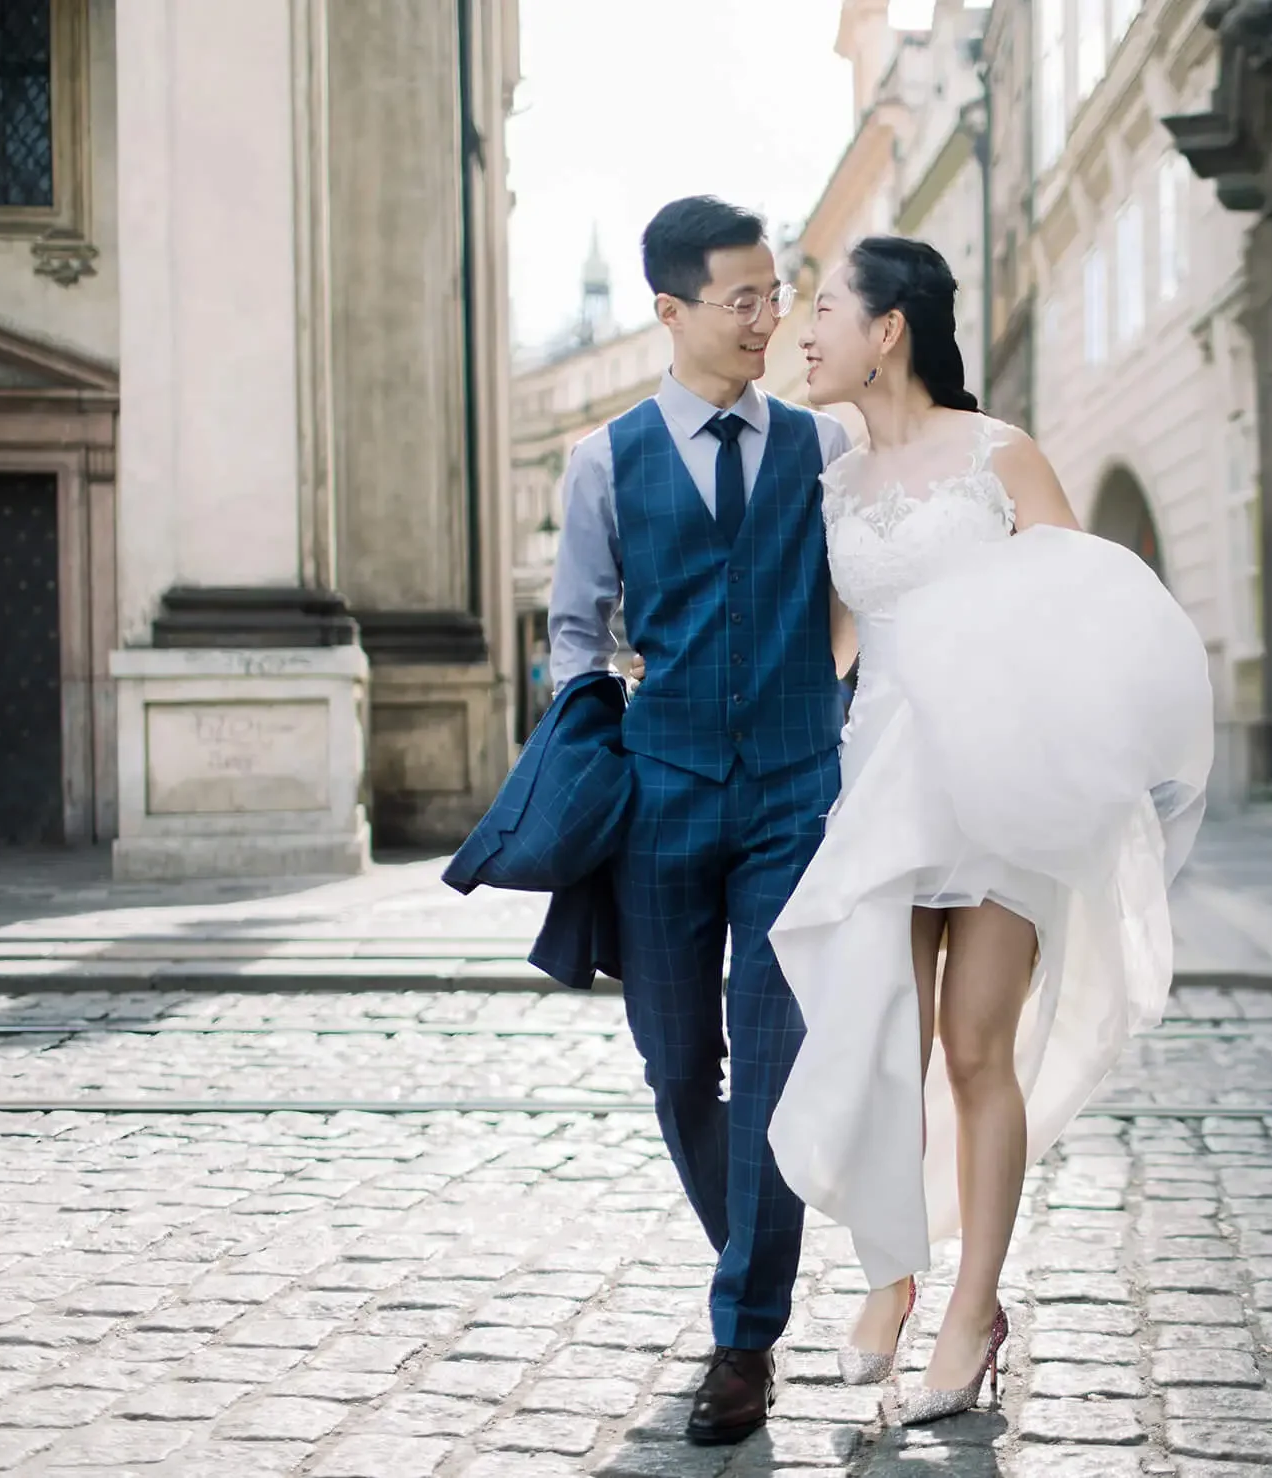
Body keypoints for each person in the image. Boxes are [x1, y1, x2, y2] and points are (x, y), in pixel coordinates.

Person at [765, 237, 1213, 1424]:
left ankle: (973, 1302)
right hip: (886, 784)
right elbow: (832, 655)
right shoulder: (836, 487)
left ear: (888, 328)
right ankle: (890, 1272)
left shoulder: (1000, 452)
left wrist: (1086, 755)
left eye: (822, 310)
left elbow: (1089, 609)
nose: (802, 334)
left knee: (971, 1047)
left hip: (1004, 779)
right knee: (880, 1036)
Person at [544, 196, 854, 1446]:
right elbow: (577, 629)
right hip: (659, 800)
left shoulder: (821, 449)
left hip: (794, 796)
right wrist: (587, 740)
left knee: (776, 1067)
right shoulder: (600, 459)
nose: (768, 318)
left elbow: (864, 593)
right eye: (743, 298)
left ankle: (743, 1336)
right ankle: (755, 1261)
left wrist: (837, 701)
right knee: (679, 1067)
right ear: (670, 311)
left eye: (776, 295)